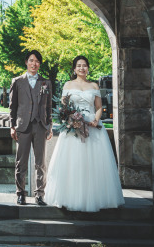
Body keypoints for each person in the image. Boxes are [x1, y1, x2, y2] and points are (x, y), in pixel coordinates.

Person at [44, 55, 125, 211]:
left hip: (92, 127)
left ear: (88, 68)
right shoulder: (68, 84)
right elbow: (63, 108)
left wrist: (96, 119)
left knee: (94, 163)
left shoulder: (94, 86)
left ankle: (94, 198)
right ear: (74, 69)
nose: (82, 68)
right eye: (79, 65)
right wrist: (71, 119)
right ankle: (70, 197)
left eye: (85, 65)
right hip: (73, 127)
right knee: (73, 162)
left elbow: (99, 107)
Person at [9, 49, 53, 205]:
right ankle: (20, 193)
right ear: (26, 62)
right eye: (31, 60)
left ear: (39, 64)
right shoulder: (17, 81)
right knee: (21, 162)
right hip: (23, 126)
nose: (34, 64)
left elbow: (48, 107)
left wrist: (49, 126)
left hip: (40, 126)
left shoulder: (45, 82)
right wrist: (12, 126)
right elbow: (12, 107)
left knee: (40, 162)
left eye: (37, 61)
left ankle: (39, 194)